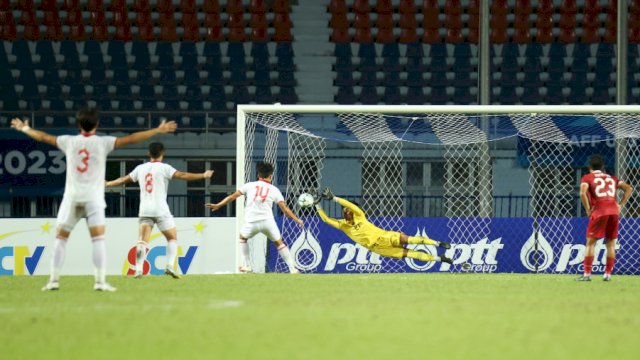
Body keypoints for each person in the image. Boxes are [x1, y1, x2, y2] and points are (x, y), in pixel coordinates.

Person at [10, 109, 177, 292]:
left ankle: (53, 281)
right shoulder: (102, 143)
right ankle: (99, 282)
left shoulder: (69, 141)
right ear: (97, 125)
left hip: (72, 198)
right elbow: (131, 138)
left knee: (60, 238)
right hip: (93, 199)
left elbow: (43, 137)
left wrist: (24, 128)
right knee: (98, 240)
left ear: (79, 125)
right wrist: (157, 130)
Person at [105, 142, 214, 279]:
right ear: (162, 153)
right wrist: (203, 175)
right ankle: (169, 265)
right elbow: (182, 175)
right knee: (172, 238)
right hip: (161, 209)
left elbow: (123, 180)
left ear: (148, 154)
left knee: (142, 241)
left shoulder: (140, 168)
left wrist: (108, 183)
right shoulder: (164, 168)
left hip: (145, 209)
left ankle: (138, 270)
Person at [205, 162, 303, 273]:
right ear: (271, 175)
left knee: (242, 238)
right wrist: (297, 219)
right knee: (279, 243)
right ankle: (292, 268)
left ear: (258, 175)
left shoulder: (249, 185)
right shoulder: (274, 189)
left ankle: (247, 265)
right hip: (268, 222)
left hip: (252, 222)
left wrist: (218, 205)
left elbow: (232, 196)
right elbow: (285, 210)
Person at [314, 188, 454, 265]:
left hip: (385, 236)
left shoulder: (359, 215)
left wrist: (334, 198)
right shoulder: (343, 225)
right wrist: (317, 204)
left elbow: (350, 205)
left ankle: (438, 243)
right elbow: (326, 219)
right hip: (379, 248)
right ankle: (440, 258)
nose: (346, 210)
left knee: (410, 240)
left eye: (348, 209)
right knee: (411, 255)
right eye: (344, 210)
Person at [577, 154, 633, 281]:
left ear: (589, 167)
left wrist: (587, 208)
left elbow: (582, 192)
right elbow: (629, 188)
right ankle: (607, 275)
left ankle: (587, 275)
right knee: (611, 245)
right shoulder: (612, 178)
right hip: (613, 211)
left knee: (591, 243)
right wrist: (620, 205)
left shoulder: (587, 177)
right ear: (602, 167)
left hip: (599, 211)